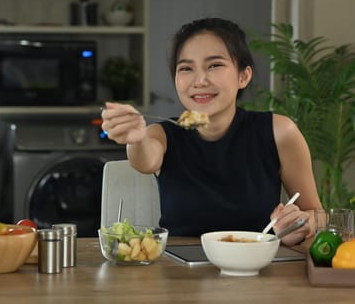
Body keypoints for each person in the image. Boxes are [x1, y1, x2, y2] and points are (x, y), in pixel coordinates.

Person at [101, 17, 322, 246]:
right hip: (178, 272)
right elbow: (144, 161)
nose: (200, 80)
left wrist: (302, 224)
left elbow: (316, 213)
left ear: (243, 76)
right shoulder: (164, 133)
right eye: (186, 68)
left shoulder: (279, 131)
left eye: (214, 65)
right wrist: (136, 138)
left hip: (256, 269)